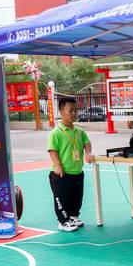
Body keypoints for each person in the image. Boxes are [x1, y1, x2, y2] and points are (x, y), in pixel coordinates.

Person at [48, 96, 93, 232]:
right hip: (61, 174)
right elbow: (53, 150)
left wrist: (88, 153)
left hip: (77, 172)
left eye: (75, 110)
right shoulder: (56, 133)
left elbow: (87, 143)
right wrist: (58, 165)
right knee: (62, 199)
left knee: (76, 198)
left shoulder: (80, 131)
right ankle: (63, 221)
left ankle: (73, 217)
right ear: (61, 112)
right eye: (70, 110)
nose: (74, 113)